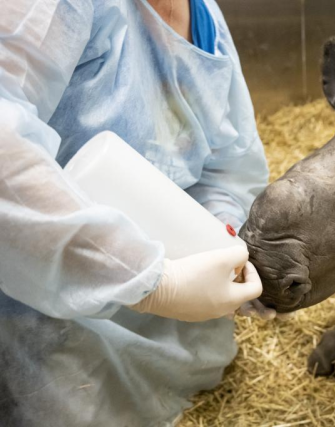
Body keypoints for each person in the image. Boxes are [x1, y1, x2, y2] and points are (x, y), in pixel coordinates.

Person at [0, 0, 274, 425]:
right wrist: (152, 283)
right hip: (40, 320)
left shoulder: (205, 18)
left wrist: (222, 237)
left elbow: (229, 159)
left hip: (178, 335)